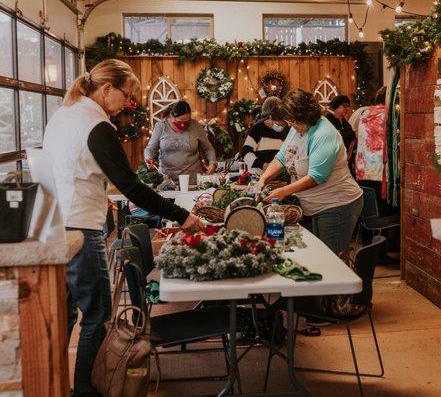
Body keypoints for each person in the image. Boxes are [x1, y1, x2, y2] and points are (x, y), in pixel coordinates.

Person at [43, 59, 205, 396]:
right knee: (97, 315)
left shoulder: (65, 113)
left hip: (57, 223)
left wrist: (92, 190)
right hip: (82, 230)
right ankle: (85, 391)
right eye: (126, 94)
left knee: (67, 315)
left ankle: (53, 383)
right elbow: (131, 186)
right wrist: (182, 215)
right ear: (106, 89)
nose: (127, 102)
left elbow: (64, 166)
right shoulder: (96, 124)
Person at [259, 89, 363, 256]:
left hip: (336, 205)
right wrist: (263, 179)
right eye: (289, 121)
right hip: (316, 205)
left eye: (294, 122)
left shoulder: (324, 134)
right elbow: (281, 157)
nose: (291, 125)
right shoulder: (298, 126)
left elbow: (317, 177)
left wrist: (284, 191)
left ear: (306, 115)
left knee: (331, 261)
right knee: (319, 255)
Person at [144, 100, 217, 180]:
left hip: (192, 179)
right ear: (171, 116)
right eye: (179, 122)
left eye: (186, 122)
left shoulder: (196, 127)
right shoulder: (161, 127)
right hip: (167, 179)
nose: (183, 125)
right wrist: (149, 158)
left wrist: (212, 163)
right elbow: (150, 148)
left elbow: (208, 149)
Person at [241, 96, 289, 173]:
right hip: (259, 175)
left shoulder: (286, 128)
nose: (281, 127)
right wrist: (262, 165)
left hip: (281, 176)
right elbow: (245, 152)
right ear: (271, 116)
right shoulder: (258, 128)